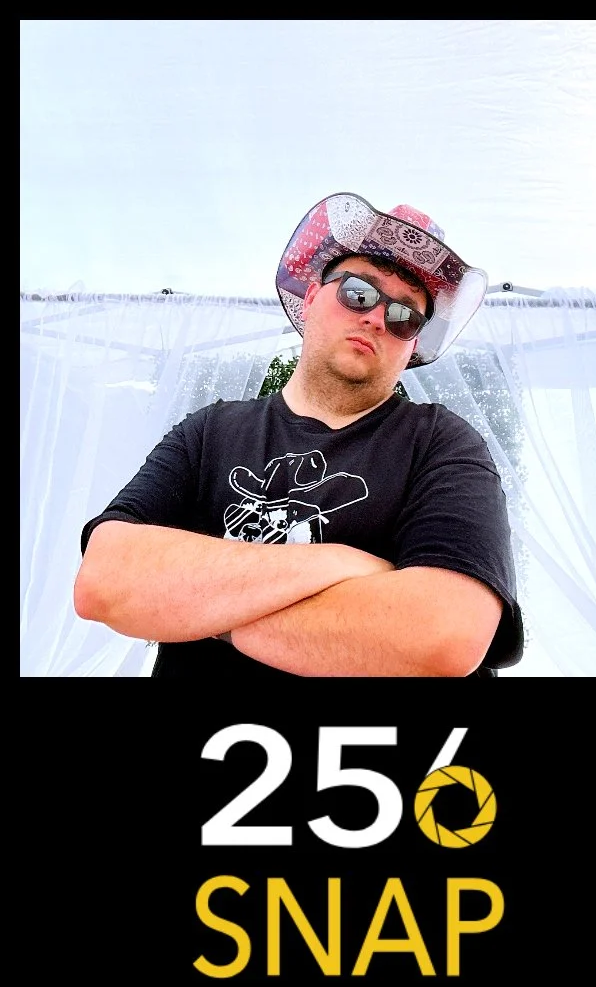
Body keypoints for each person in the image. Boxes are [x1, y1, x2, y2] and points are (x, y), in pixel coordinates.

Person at [74, 194, 524, 679]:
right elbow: (105, 579)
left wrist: (202, 609)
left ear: (412, 343)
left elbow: (446, 634)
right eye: (359, 293)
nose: (376, 317)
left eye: (404, 317)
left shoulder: (444, 444)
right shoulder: (208, 431)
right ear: (311, 297)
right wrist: (341, 562)